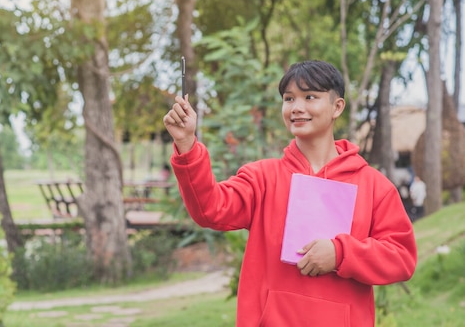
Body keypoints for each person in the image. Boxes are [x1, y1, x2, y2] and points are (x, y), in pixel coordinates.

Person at [163, 60, 417, 327]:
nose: (297, 108)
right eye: (289, 98)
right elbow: (210, 209)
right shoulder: (262, 178)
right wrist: (186, 144)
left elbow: (401, 257)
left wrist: (341, 253)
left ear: (337, 107)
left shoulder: (374, 186)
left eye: (310, 97)